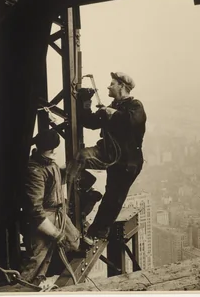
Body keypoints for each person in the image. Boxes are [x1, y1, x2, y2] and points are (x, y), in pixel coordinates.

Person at [71, 72, 146, 245]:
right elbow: (89, 122)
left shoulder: (135, 106)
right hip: (110, 155)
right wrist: (85, 102)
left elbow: (132, 121)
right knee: (80, 157)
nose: (108, 86)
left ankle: (98, 232)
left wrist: (111, 112)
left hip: (128, 163)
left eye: (112, 84)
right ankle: (87, 195)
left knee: (113, 197)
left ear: (121, 86)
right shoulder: (113, 106)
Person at [20, 128, 80, 286]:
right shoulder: (35, 171)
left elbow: (54, 179)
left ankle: (47, 277)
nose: (54, 152)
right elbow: (35, 211)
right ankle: (21, 289)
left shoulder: (47, 162)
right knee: (37, 262)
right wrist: (55, 234)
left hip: (58, 214)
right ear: (43, 149)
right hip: (44, 218)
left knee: (74, 242)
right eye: (51, 150)